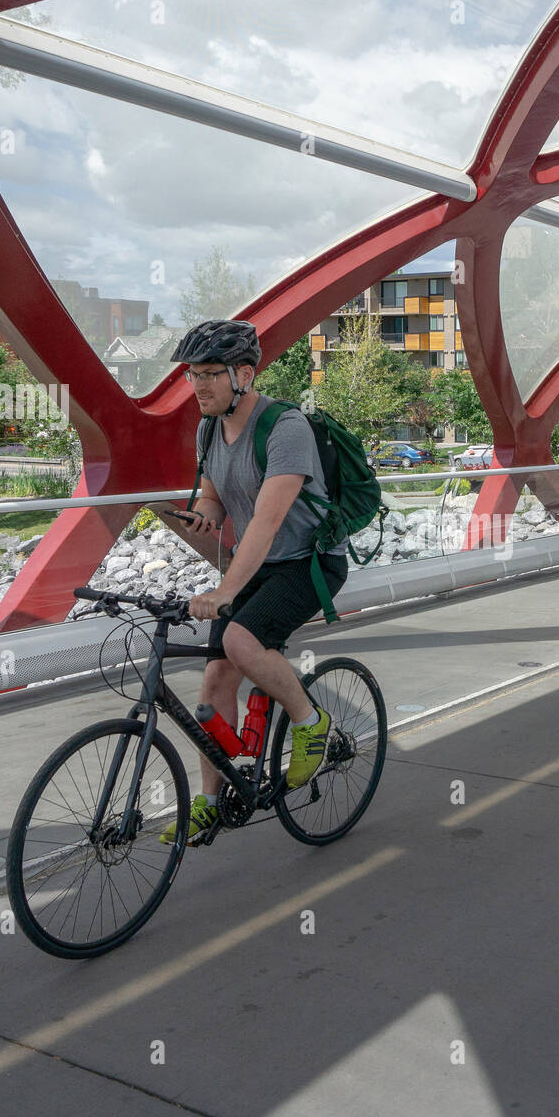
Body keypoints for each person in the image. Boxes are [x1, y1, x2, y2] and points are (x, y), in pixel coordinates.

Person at [159, 319, 349, 845]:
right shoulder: (209, 427)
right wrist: (203, 515)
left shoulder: (286, 427)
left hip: (308, 563)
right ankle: (211, 802)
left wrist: (223, 593)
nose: (199, 385)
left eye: (211, 374)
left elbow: (265, 521)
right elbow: (218, 498)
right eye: (194, 375)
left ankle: (310, 722)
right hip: (260, 562)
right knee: (216, 679)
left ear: (244, 374)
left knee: (242, 639)